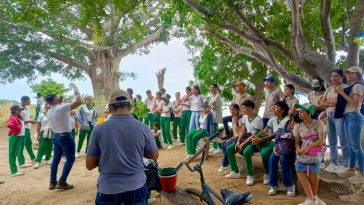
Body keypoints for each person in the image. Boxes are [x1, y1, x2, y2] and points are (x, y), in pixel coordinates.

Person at [86, 89, 159, 205]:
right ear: (130, 107)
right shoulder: (143, 128)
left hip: (108, 189)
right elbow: (154, 155)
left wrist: (106, 158)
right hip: (137, 186)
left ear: (109, 109)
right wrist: (137, 152)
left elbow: (89, 165)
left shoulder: (98, 130)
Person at [46, 83, 82, 190]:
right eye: (56, 97)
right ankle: (62, 182)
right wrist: (76, 90)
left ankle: (52, 182)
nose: (58, 97)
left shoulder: (49, 112)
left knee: (56, 160)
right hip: (65, 136)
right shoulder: (61, 108)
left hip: (56, 136)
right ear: (54, 100)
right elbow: (79, 101)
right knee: (70, 159)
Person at [335, 66, 364, 181]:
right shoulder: (353, 86)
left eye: (351, 73)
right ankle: (351, 169)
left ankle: (362, 173)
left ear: (357, 74)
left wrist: (342, 93)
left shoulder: (358, 86)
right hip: (349, 117)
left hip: (354, 116)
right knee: (352, 146)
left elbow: (355, 103)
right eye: (348, 73)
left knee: (356, 147)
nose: (348, 75)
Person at [294, 103, 326, 205]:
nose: (300, 113)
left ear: (309, 113)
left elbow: (321, 140)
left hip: (315, 152)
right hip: (303, 152)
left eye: (303, 111)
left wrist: (308, 147)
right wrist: (298, 149)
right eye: (299, 111)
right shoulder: (297, 125)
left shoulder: (318, 123)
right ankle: (312, 198)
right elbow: (297, 142)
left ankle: (312, 199)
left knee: (314, 171)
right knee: (299, 168)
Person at [261, 102, 295, 197]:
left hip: (287, 147)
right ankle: (273, 185)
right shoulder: (272, 120)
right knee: (272, 159)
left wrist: (264, 138)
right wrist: (258, 134)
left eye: (276, 107)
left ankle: (290, 185)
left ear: (283, 109)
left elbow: (290, 135)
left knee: (284, 160)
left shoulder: (288, 120)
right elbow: (265, 132)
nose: (274, 109)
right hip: (277, 147)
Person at [225, 101, 263, 183]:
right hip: (245, 138)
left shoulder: (258, 119)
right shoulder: (245, 117)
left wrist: (242, 143)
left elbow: (254, 135)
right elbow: (242, 130)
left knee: (246, 152)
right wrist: (238, 141)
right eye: (242, 108)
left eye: (244, 108)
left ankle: (250, 176)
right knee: (229, 148)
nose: (243, 109)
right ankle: (235, 171)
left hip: (254, 141)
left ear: (250, 108)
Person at [320, 69, 349, 174]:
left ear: (342, 77)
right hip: (329, 115)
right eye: (332, 76)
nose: (333, 78)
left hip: (341, 116)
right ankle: (333, 163)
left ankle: (346, 164)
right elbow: (321, 102)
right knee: (331, 141)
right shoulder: (329, 89)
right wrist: (332, 103)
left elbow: (345, 102)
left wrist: (332, 102)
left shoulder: (346, 88)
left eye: (336, 76)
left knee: (343, 140)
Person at [218, 104, 242, 176]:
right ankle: (227, 162)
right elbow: (235, 131)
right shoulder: (233, 118)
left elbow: (240, 133)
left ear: (238, 110)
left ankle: (224, 164)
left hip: (240, 139)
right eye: (230, 110)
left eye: (234, 110)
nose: (232, 111)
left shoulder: (240, 119)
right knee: (223, 144)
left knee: (228, 146)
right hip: (235, 137)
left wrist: (230, 139)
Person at [18, 96, 36, 168]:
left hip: (27, 129)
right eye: (29, 100)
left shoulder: (26, 108)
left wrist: (30, 120)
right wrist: (30, 121)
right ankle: (21, 162)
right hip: (23, 129)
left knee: (28, 144)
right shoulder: (19, 109)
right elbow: (19, 121)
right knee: (21, 146)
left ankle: (33, 158)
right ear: (23, 101)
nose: (30, 102)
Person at [7, 105, 25, 176]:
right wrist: (16, 130)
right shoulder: (13, 117)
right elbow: (9, 125)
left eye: (20, 110)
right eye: (18, 110)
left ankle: (15, 170)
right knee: (12, 154)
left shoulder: (18, 117)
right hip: (15, 137)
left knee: (15, 153)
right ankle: (13, 171)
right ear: (14, 110)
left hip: (19, 137)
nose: (20, 111)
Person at [34, 104, 53, 169]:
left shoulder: (54, 115)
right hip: (43, 131)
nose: (48, 108)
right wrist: (38, 134)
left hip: (52, 131)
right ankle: (37, 161)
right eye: (47, 107)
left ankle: (47, 159)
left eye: (50, 107)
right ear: (45, 108)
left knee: (50, 146)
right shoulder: (41, 115)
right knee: (42, 146)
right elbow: (38, 125)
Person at [209, 83, 223, 154]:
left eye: (212, 87)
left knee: (215, 132)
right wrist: (210, 103)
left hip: (216, 115)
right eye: (210, 87)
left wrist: (210, 104)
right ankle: (214, 146)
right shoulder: (212, 95)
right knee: (212, 131)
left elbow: (213, 106)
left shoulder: (217, 96)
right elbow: (210, 104)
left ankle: (220, 147)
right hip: (212, 114)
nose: (210, 89)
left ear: (216, 88)